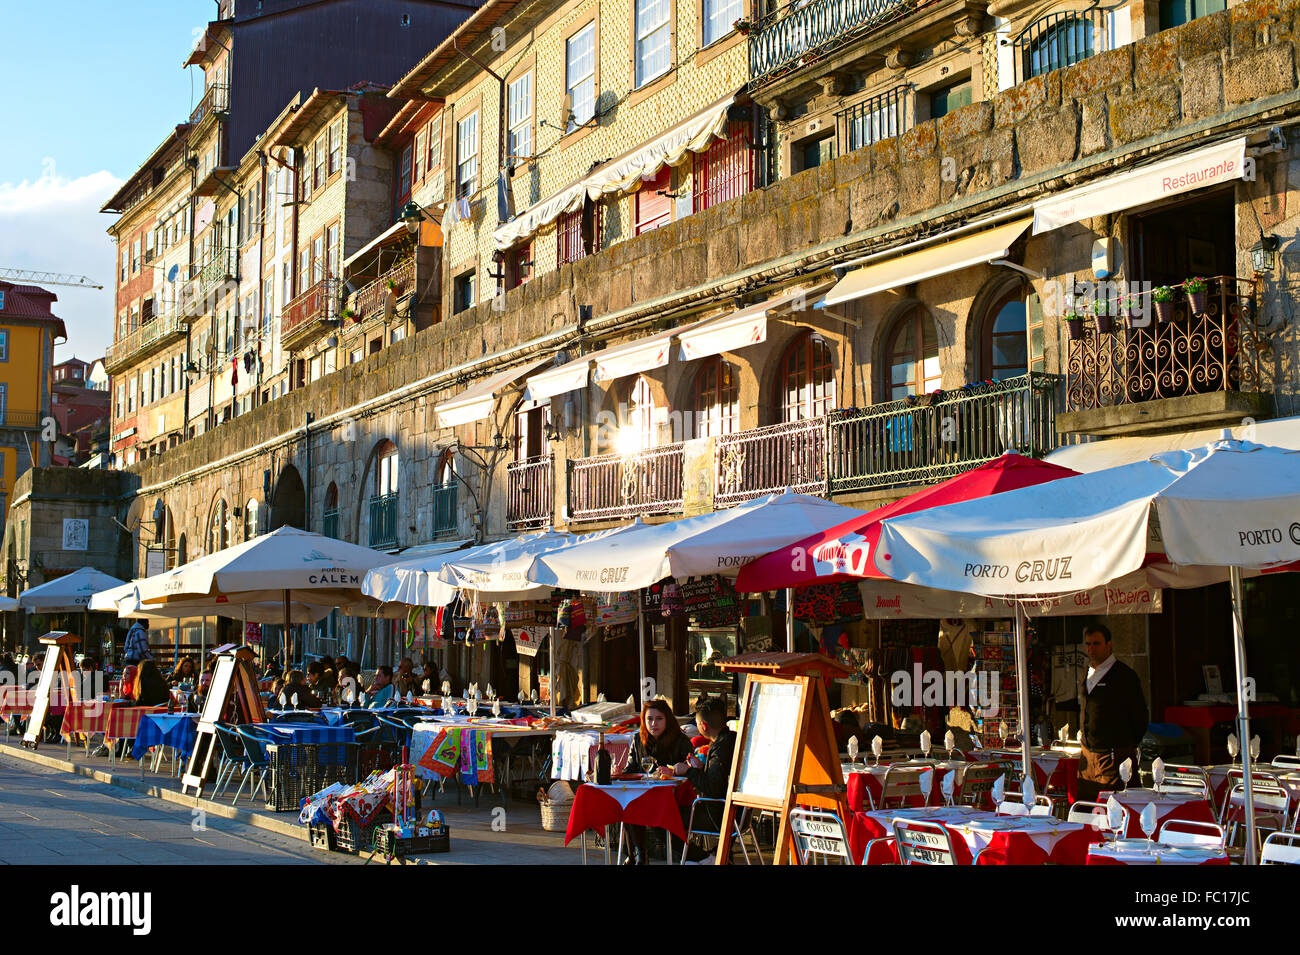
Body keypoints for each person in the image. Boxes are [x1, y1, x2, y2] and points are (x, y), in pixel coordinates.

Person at [1076, 623, 1148, 802]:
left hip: (1113, 757)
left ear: (1109, 645)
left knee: (1113, 809)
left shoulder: (1124, 675)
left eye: (1096, 644)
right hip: (1088, 755)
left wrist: (1123, 747)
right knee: (1086, 809)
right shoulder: (1087, 673)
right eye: (1088, 644)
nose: (1091, 649)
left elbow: (1140, 716)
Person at [623, 700, 694, 864]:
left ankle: (638, 855)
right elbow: (631, 769)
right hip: (643, 795)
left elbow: (691, 773)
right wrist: (619, 772)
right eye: (649, 719)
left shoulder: (680, 741)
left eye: (659, 718)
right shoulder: (638, 739)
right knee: (627, 804)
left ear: (667, 719)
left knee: (634, 806)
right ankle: (638, 854)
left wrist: (674, 771)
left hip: (673, 799)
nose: (654, 723)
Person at [670, 697, 737, 859]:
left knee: (667, 818)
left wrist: (688, 771)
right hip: (734, 812)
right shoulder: (732, 739)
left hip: (717, 814)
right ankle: (709, 856)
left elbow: (713, 788)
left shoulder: (721, 748)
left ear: (703, 726)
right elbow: (718, 779)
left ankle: (702, 858)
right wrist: (701, 768)